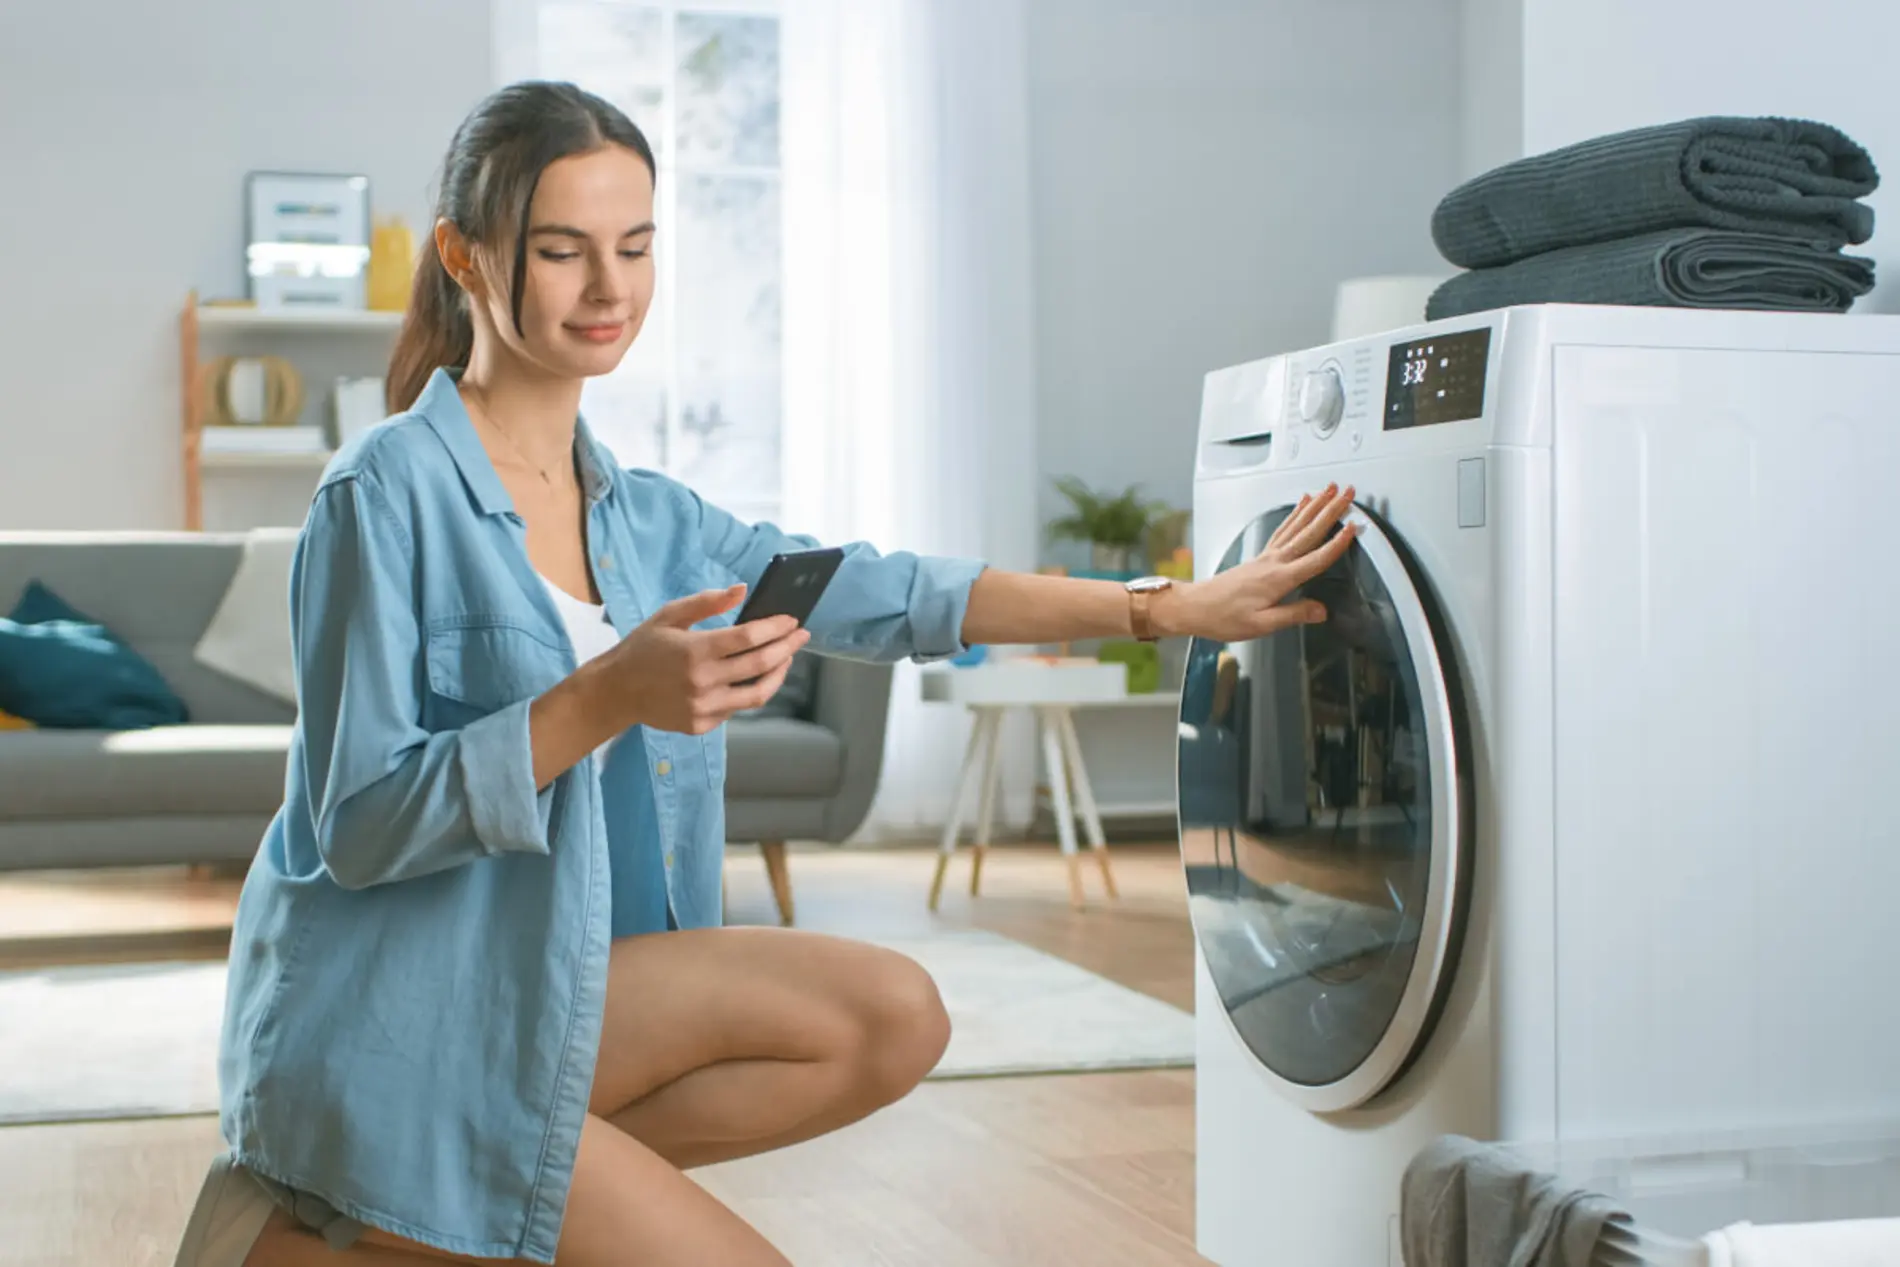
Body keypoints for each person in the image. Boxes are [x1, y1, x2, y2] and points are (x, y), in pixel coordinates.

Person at [170, 80, 1358, 1267]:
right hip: (407, 1020)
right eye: (562, 250)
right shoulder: (380, 495)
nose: (610, 289)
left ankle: (385, 1231)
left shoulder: (644, 518)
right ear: (464, 256)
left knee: (893, 1016)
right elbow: (362, 821)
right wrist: (605, 697)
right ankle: (360, 1189)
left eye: (635, 247)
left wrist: (1165, 606)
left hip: (555, 995)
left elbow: (894, 593)